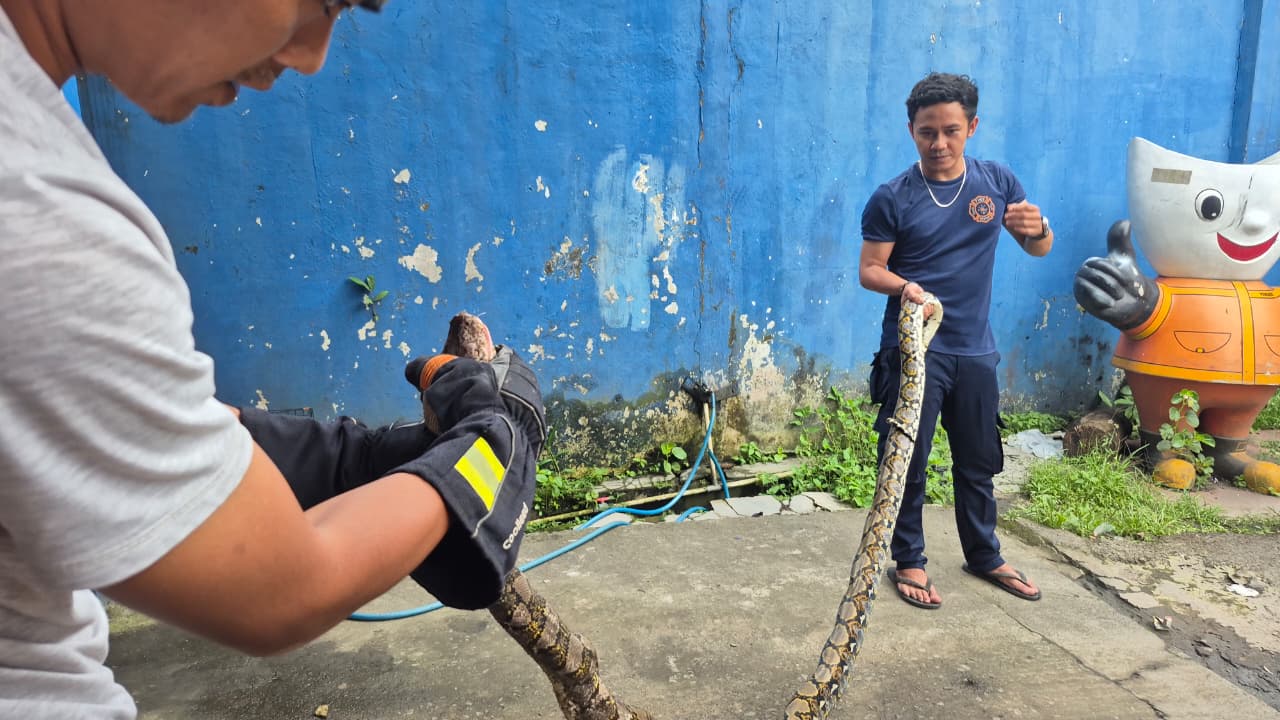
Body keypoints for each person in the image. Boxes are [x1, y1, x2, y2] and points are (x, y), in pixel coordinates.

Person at [0, 2, 543, 718]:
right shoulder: (40, 215)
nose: (312, 53)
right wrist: (488, 450)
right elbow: (278, 590)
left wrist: (372, 462)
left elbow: (178, 431)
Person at [859, 72, 1052, 610]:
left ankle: (984, 553)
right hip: (915, 350)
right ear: (911, 131)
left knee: (978, 458)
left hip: (975, 349)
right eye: (926, 133)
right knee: (908, 458)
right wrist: (908, 287)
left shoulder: (996, 183)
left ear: (971, 126)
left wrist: (1038, 230)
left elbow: (1037, 247)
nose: (938, 144)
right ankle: (911, 560)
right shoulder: (891, 197)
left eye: (949, 130)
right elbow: (870, 270)